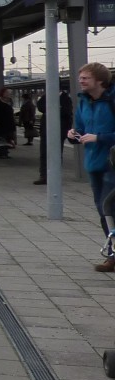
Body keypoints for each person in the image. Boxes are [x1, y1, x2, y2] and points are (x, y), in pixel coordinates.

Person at [68, 63, 115, 271]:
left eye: (85, 78)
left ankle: (113, 256)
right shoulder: (83, 102)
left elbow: (98, 134)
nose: (81, 81)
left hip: (112, 162)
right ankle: (113, 253)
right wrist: (74, 135)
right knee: (102, 209)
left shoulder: (112, 101)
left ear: (100, 81)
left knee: (109, 207)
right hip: (93, 162)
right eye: (81, 78)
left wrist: (99, 137)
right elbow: (80, 127)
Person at [35, 88, 72, 185]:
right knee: (44, 153)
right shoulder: (45, 97)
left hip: (60, 130)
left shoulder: (65, 98)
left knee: (57, 153)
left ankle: (56, 175)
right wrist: (56, 107)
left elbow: (66, 112)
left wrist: (51, 109)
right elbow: (40, 107)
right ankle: (43, 175)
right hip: (46, 130)